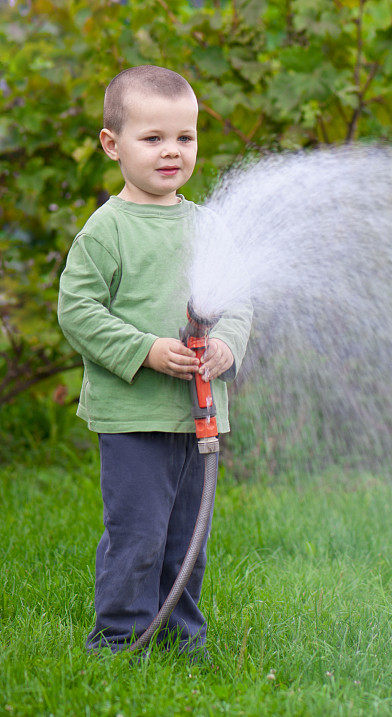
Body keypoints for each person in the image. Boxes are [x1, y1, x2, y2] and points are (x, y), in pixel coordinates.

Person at [57, 65, 251, 658]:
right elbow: (78, 309)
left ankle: (181, 635)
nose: (172, 152)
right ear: (112, 144)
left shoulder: (206, 225)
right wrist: (144, 350)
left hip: (198, 420)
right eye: (153, 138)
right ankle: (119, 638)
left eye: (185, 138)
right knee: (138, 535)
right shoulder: (107, 230)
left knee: (187, 540)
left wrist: (228, 345)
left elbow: (238, 299)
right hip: (133, 418)